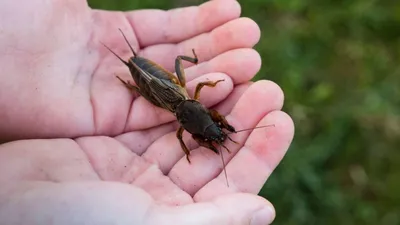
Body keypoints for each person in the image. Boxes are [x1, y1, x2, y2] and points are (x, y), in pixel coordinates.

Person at [0, 0, 294, 224]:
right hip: (156, 83)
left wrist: (201, 140)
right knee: (142, 89)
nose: (210, 128)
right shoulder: (186, 118)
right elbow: (186, 135)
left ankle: (129, 78)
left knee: (149, 86)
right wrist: (192, 149)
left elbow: (190, 125)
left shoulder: (189, 109)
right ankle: (128, 79)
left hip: (165, 86)